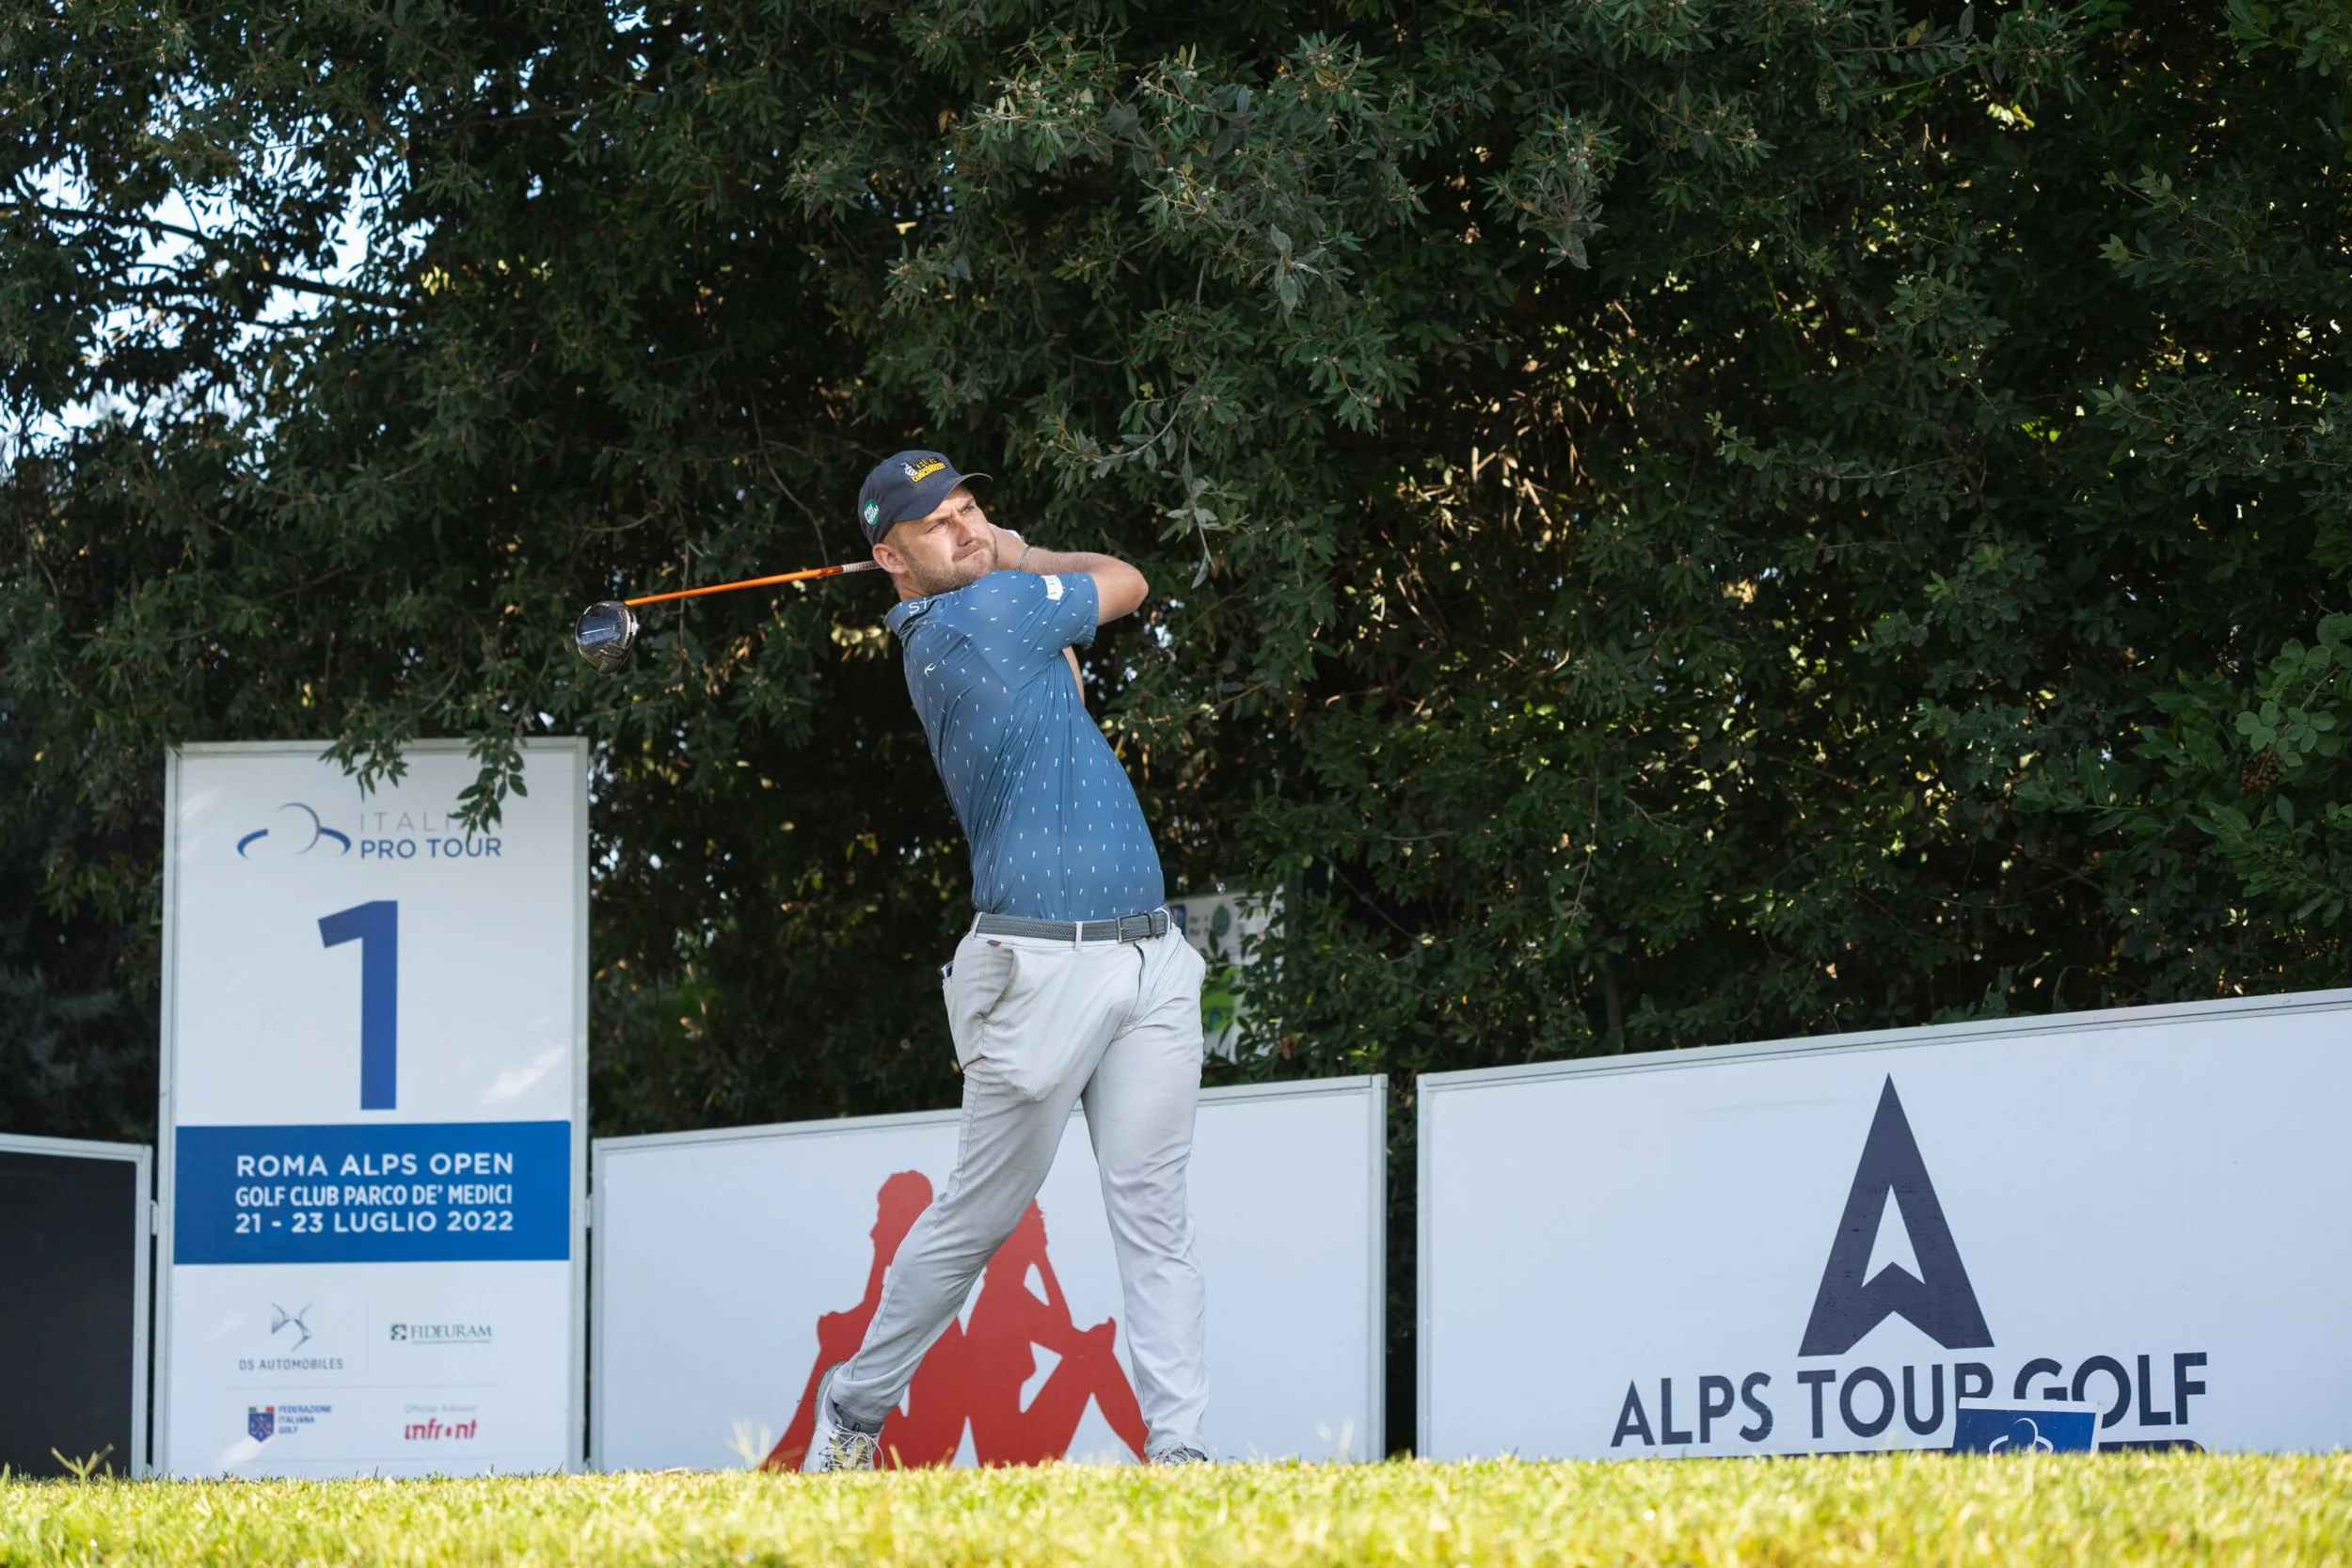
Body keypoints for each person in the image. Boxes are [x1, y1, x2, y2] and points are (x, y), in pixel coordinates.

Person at [800, 450, 1211, 1470]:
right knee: (979, 1219)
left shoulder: (999, 619)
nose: (970, 528)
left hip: (1151, 956)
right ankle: (853, 1407)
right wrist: (1025, 553)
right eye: (938, 525)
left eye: (970, 507)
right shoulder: (981, 615)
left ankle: (1180, 1450)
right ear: (893, 563)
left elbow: (1064, 677)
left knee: (1153, 1213)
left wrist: (1012, 565)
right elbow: (1127, 579)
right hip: (1036, 969)